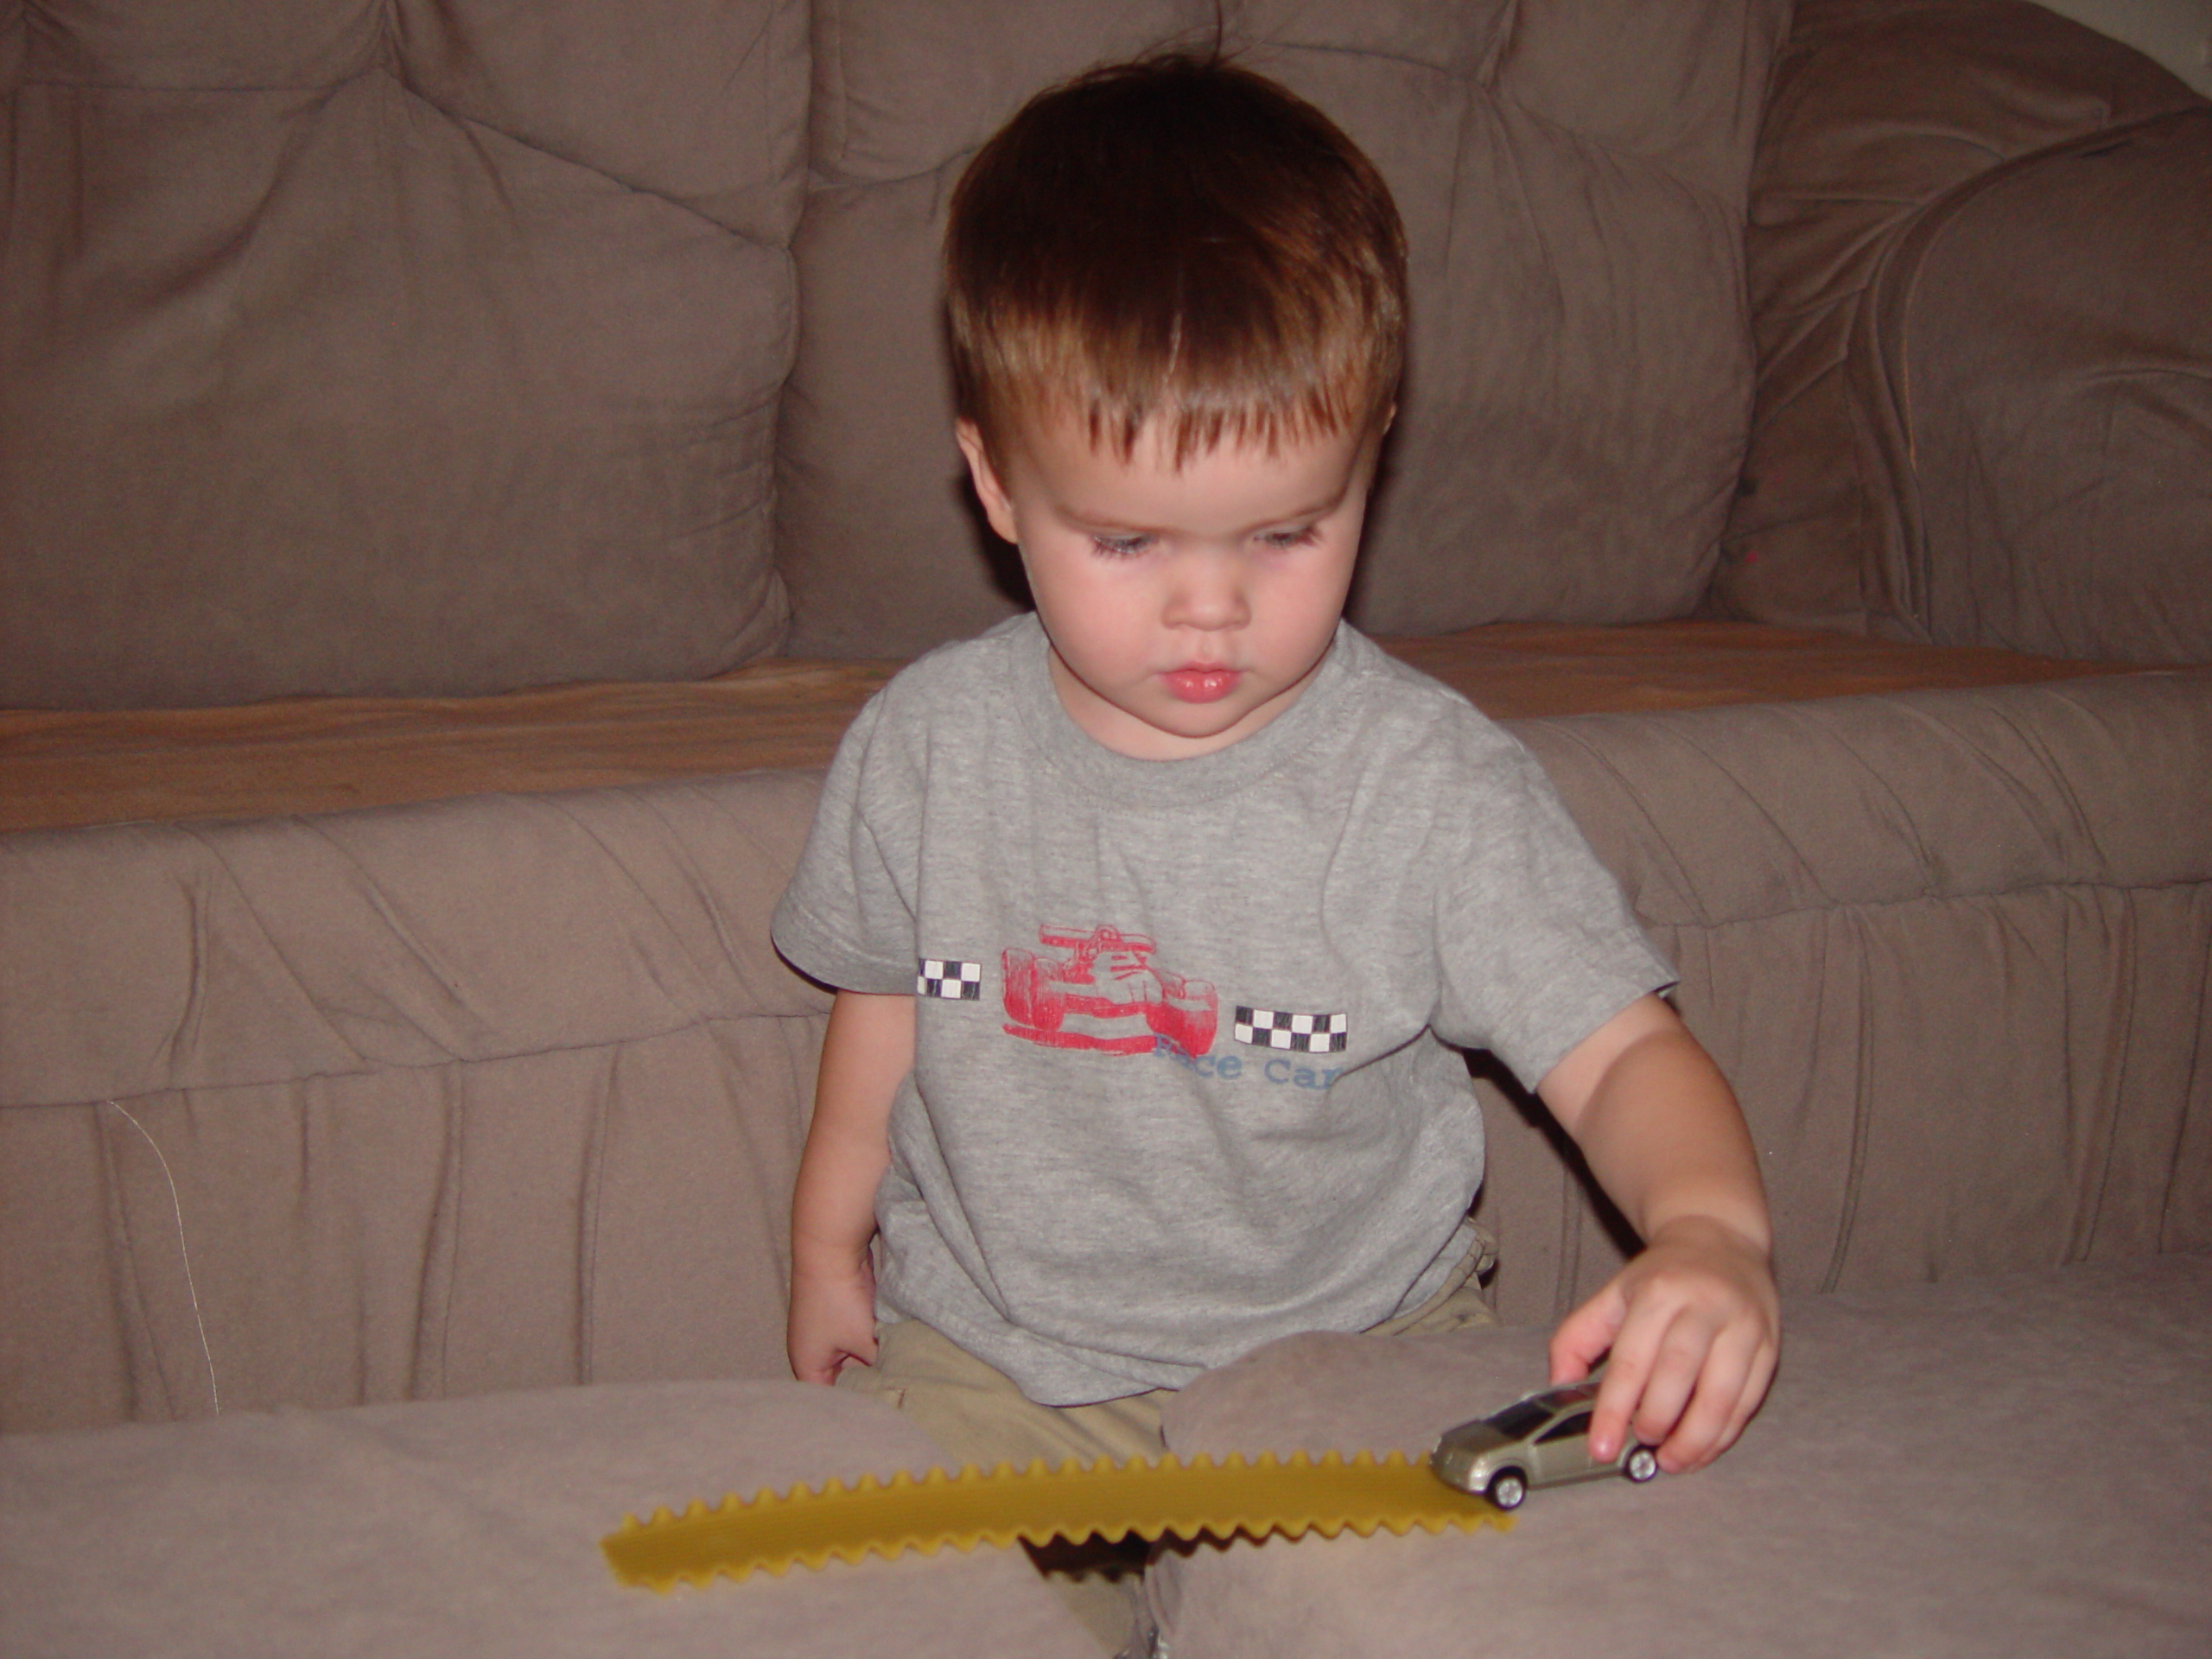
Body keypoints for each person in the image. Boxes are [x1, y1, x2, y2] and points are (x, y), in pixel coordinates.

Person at [771, 50, 1779, 1652]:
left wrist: (1712, 1234)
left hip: (1354, 1362)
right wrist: (832, 1254)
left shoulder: (1428, 786)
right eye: (1128, 541)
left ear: (1371, 458)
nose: (1210, 608)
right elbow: (885, 1014)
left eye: (1287, 532)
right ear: (994, 483)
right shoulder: (923, 752)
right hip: (998, 1369)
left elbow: (1619, 1053)